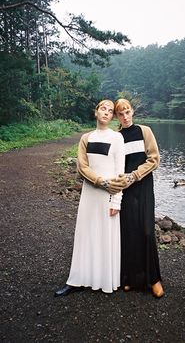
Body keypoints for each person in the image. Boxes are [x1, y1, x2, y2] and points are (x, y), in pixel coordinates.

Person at [55, 100, 125, 296]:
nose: (106, 113)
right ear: (96, 112)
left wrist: (116, 199)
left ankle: (104, 280)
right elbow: (82, 167)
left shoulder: (117, 138)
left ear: (112, 117)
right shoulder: (86, 137)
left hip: (109, 196)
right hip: (90, 193)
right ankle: (76, 280)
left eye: (110, 111)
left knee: (105, 236)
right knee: (85, 235)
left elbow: (120, 171)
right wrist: (101, 182)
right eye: (103, 108)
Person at [111, 98, 164, 298]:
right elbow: (114, 164)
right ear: (117, 116)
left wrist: (134, 175)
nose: (125, 117)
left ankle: (154, 280)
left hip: (142, 185)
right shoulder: (115, 137)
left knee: (147, 231)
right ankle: (130, 279)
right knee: (128, 231)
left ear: (132, 111)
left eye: (127, 112)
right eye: (120, 114)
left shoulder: (144, 131)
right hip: (124, 189)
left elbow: (154, 159)